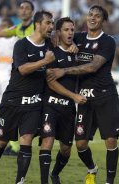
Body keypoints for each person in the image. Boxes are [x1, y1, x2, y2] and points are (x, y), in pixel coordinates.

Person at [48, 5, 119, 184]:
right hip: (84, 98)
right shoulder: (78, 37)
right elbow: (55, 38)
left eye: (97, 16)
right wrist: (64, 41)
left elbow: (93, 66)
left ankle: (109, 181)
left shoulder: (108, 41)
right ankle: (92, 168)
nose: (92, 18)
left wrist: (63, 72)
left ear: (103, 21)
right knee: (80, 145)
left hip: (105, 97)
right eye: (90, 14)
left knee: (110, 140)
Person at [0, 10, 55, 184]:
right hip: (12, 101)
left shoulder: (50, 46)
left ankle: (20, 181)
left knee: (26, 141)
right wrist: (44, 62)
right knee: (1, 141)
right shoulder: (21, 45)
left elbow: (68, 38)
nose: (51, 26)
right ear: (37, 24)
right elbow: (23, 69)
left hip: (33, 104)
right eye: (48, 22)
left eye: (52, 23)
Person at [0, 0, 35, 155]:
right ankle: (16, 146)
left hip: (35, 76)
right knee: (13, 108)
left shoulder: (36, 28)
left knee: (21, 110)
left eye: (27, 8)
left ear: (32, 12)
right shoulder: (17, 29)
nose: (23, 10)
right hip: (21, 77)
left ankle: (19, 145)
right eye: (21, 8)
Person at [39, 17, 87, 184]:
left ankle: (55, 174)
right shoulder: (51, 53)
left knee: (66, 150)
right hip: (51, 105)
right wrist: (74, 96)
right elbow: (51, 82)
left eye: (72, 30)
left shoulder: (77, 54)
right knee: (48, 141)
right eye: (66, 30)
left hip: (68, 110)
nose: (70, 33)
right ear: (58, 33)